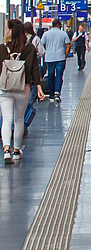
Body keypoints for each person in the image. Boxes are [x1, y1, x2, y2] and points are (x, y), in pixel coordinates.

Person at [0, 19, 44, 163]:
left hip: (5, 88)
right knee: (19, 120)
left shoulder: (2, 48)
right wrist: (38, 87)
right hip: (23, 87)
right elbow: (34, 69)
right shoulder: (29, 48)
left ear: (11, 31)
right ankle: (17, 150)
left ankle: (6, 150)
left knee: (7, 119)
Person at [41, 19, 70, 102]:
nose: (61, 26)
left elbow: (42, 44)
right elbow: (68, 46)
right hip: (60, 58)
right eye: (60, 24)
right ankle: (57, 93)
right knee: (59, 76)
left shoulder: (46, 34)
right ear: (57, 25)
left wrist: (46, 52)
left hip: (49, 58)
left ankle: (51, 95)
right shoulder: (63, 34)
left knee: (50, 76)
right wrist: (65, 55)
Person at [23, 22, 44, 135]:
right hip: (30, 71)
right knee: (27, 96)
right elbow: (41, 52)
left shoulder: (17, 42)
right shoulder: (35, 39)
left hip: (16, 75)